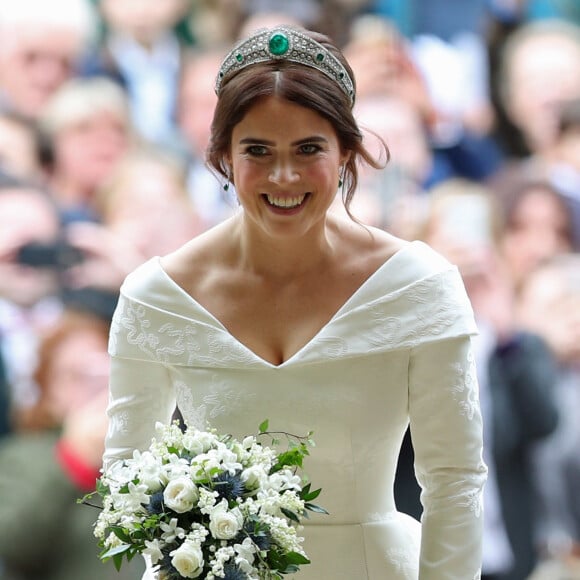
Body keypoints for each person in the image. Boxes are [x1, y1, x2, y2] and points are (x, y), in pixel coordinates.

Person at [104, 25, 487, 579]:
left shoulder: (418, 286)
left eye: (308, 149)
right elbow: (125, 475)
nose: (284, 176)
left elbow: (454, 479)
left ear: (346, 153)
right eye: (257, 151)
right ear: (222, 157)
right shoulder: (157, 296)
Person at [0, 307, 145, 580]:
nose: (94, 388)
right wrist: (72, 461)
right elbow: (10, 544)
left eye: (102, 371)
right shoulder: (23, 455)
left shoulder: (148, 451)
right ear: (49, 395)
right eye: (75, 376)